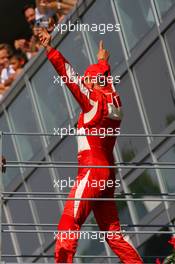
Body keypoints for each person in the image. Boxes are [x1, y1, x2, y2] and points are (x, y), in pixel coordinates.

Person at [37, 28, 143, 264]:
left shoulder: (93, 103)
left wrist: (49, 48)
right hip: (107, 175)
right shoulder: (113, 102)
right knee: (114, 235)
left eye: (88, 78)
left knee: (68, 223)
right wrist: (102, 62)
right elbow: (104, 82)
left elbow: (69, 76)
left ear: (94, 82)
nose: (84, 80)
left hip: (92, 171)